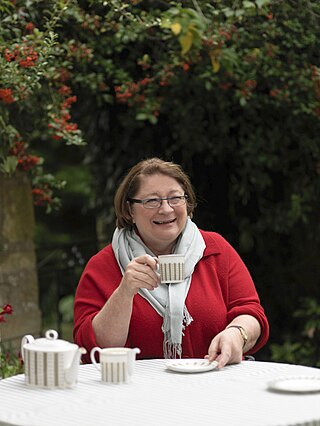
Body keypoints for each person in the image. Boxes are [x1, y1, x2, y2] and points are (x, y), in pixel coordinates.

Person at [73, 157, 269, 368]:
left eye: (175, 198)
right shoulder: (104, 265)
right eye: (151, 201)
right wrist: (125, 292)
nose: (166, 209)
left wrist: (237, 333)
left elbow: (251, 312)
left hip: (212, 381)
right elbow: (93, 349)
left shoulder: (214, 250)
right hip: (135, 392)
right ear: (130, 210)